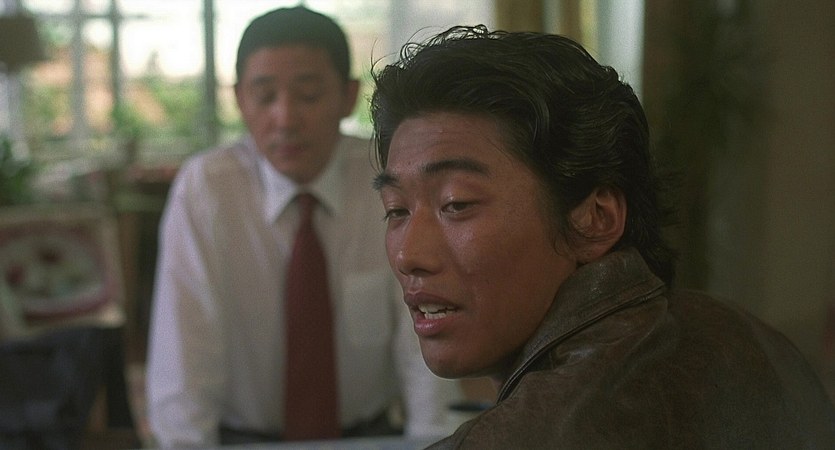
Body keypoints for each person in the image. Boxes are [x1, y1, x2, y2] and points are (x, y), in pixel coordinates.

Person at [370, 25, 835, 448]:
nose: (409, 253)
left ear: (595, 219)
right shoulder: (754, 339)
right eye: (397, 210)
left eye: (456, 204)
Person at [146, 6, 456, 447]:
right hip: (242, 440)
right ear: (239, 99)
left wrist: (434, 441)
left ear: (348, 96)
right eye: (265, 96)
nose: (286, 118)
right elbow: (184, 351)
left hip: (369, 436)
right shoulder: (208, 189)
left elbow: (420, 335)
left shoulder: (388, 178)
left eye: (308, 94)